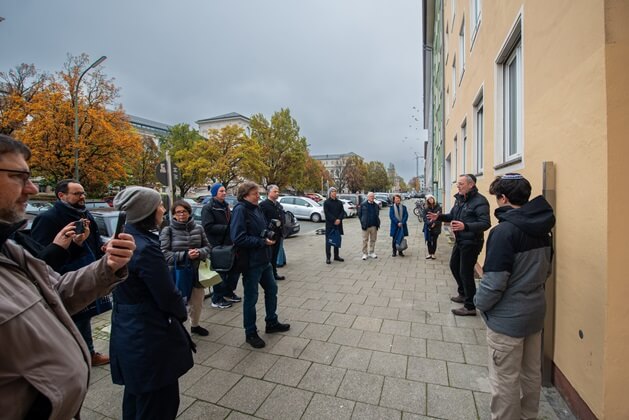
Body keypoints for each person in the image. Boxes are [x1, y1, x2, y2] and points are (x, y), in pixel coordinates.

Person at [0, 134, 135, 419]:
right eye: (17, 176)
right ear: (62, 196)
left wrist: (108, 264)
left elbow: (53, 292)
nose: (33, 188)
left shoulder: (9, 249)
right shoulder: (47, 220)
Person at [474, 174, 555, 420]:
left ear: (504, 198)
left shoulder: (504, 232)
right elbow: (547, 270)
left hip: (507, 320)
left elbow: (494, 282)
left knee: (505, 380)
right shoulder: (544, 228)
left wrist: (479, 304)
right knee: (531, 375)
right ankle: (529, 415)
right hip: (534, 314)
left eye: (497, 198)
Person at [111, 186, 195, 419]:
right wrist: (182, 312)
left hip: (129, 330)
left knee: (137, 397)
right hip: (149, 335)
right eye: (158, 205)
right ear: (146, 211)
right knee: (159, 403)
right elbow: (167, 295)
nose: (162, 210)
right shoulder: (146, 247)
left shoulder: (124, 237)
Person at [31, 178, 110, 366]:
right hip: (64, 277)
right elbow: (41, 255)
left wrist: (103, 248)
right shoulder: (48, 219)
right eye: (77, 193)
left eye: (83, 193)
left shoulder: (85, 214)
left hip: (85, 272)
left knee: (85, 316)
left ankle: (87, 353)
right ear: (62, 196)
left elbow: (94, 240)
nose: (82, 197)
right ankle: (77, 356)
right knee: (73, 318)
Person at [230, 181, 290, 349]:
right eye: (255, 193)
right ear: (245, 195)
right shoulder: (240, 210)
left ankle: (271, 322)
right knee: (251, 298)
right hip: (251, 263)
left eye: (258, 193)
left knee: (272, 290)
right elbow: (238, 238)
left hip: (264, 260)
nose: (258, 196)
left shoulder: (256, 208)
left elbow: (260, 229)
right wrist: (262, 241)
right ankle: (250, 333)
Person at [427, 174, 490, 316]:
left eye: (461, 184)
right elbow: (452, 216)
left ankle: (470, 306)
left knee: (466, 272)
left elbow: (485, 223)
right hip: (460, 240)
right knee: (454, 266)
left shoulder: (480, 201)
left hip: (472, 242)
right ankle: (463, 293)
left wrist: (465, 226)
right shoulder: (460, 200)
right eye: (458, 184)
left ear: (471, 184)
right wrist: (439, 217)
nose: (458, 186)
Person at [160, 199, 212, 337]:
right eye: (178, 212)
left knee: (197, 302)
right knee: (181, 303)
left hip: (197, 271)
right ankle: (181, 332)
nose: (181, 214)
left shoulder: (199, 228)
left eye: (184, 211)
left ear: (189, 212)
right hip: (178, 272)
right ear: (173, 215)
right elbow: (164, 254)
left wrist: (199, 253)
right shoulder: (168, 230)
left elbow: (208, 247)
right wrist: (185, 255)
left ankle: (195, 325)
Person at [201, 182, 241, 309]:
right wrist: (228, 228)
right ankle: (217, 298)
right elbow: (208, 227)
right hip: (217, 246)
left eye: (225, 191)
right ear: (214, 193)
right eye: (221, 191)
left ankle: (228, 293)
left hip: (230, 244)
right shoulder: (208, 208)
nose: (224, 193)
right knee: (220, 273)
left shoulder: (225, 206)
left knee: (234, 270)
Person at [259, 184, 286, 280]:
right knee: (268, 256)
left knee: (275, 256)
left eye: (278, 191)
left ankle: (274, 273)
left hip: (278, 234)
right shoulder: (263, 205)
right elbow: (262, 220)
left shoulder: (278, 205)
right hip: (269, 234)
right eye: (275, 191)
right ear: (269, 192)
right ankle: (267, 275)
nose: (277, 193)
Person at [323, 187, 345, 264]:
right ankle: (328, 258)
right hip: (330, 225)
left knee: (337, 240)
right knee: (328, 241)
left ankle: (336, 256)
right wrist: (334, 220)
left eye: (335, 191)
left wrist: (339, 219)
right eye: (332, 191)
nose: (334, 193)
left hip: (338, 225)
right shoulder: (326, 202)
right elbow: (327, 213)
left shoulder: (339, 202)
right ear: (330, 193)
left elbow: (342, 212)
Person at [358, 191, 380, 260]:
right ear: (368, 197)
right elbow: (359, 214)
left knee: (373, 240)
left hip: (374, 225)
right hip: (366, 226)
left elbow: (377, 214)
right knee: (365, 240)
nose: (372, 198)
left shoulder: (376, 205)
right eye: (371, 196)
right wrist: (362, 222)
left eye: (373, 196)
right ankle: (365, 253)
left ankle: (371, 252)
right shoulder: (363, 205)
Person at [422, 194, 442, 259]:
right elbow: (424, 218)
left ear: (434, 199)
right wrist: (430, 223)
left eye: (431, 199)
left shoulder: (438, 207)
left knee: (434, 240)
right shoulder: (426, 208)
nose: (430, 200)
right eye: (429, 199)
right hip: (428, 227)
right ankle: (429, 253)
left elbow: (440, 217)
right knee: (429, 241)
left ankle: (433, 253)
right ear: (427, 201)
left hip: (436, 227)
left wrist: (434, 223)